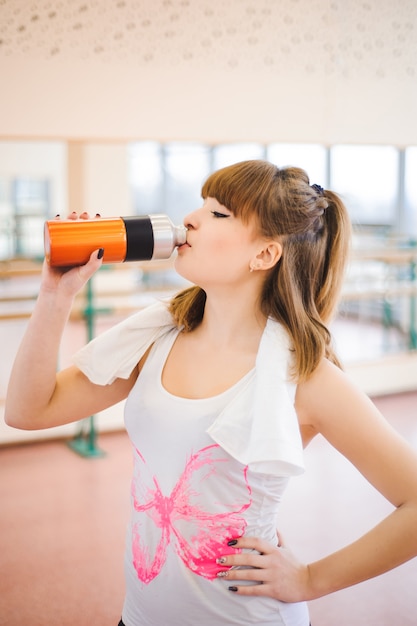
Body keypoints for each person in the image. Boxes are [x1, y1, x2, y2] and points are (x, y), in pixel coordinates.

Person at [5, 159, 417, 626]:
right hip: (139, 616)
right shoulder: (156, 337)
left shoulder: (305, 377)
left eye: (218, 214)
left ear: (264, 255)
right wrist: (54, 296)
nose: (191, 219)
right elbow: (27, 411)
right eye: (201, 205)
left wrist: (308, 580)